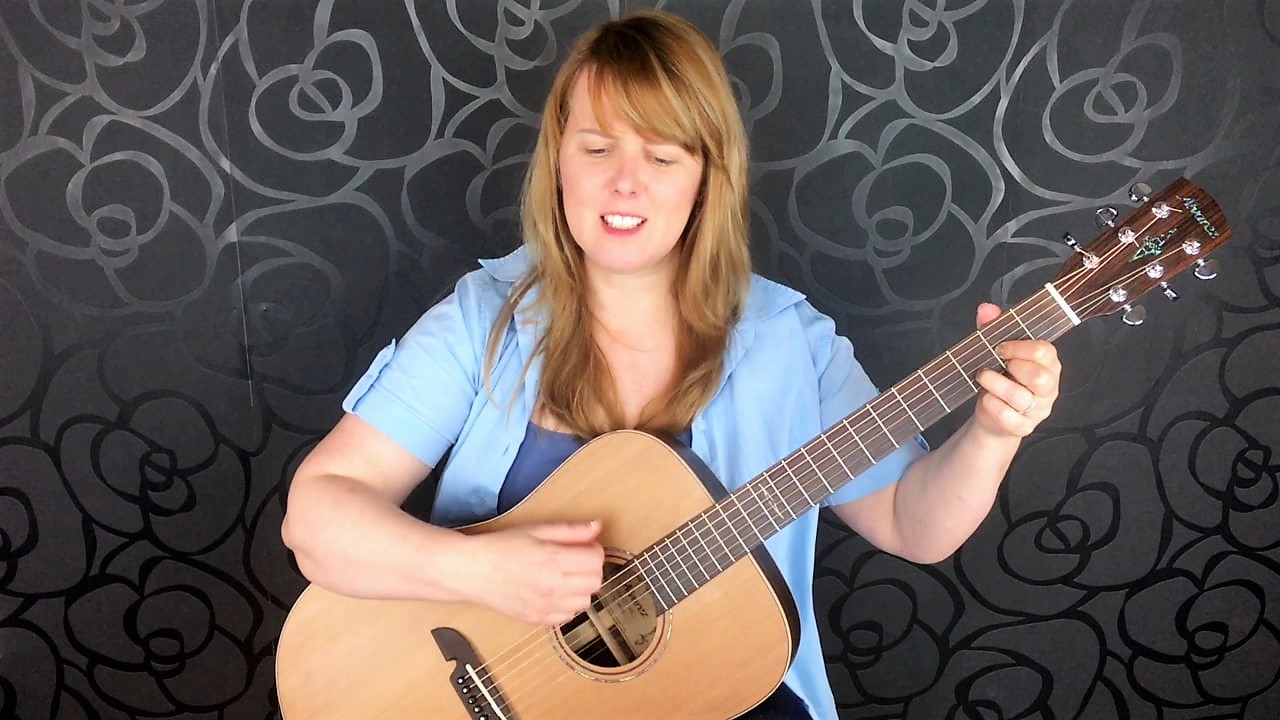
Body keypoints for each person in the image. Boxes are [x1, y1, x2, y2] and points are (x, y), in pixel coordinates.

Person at [281, 10, 1061, 720]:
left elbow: (911, 525)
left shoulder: (790, 342)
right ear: (559, 163)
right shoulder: (483, 320)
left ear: (705, 179)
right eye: (597, 148)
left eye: (661, 155)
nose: (625, 182)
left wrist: (993, 433)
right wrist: (476, 570)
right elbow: (315, 521)